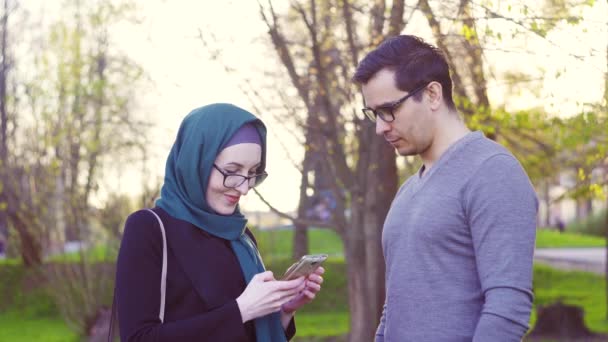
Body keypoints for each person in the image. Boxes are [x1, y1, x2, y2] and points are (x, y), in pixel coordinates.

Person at [352, 35, 538, 341]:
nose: (380, 127)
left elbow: (508, 309)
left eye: (389, 110)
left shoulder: (493, 172)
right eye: (374, 114)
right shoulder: (408, 191)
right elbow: (395, 306)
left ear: (433, 94)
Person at [114, 103, 325, 341]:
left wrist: (282, 310)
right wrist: (242, 309)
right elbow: (138, 337)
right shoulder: (149, 229)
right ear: (197, 162)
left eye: (253, 172)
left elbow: (245, 333)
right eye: (232, 170)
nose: (244, 187)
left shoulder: (241, 238)